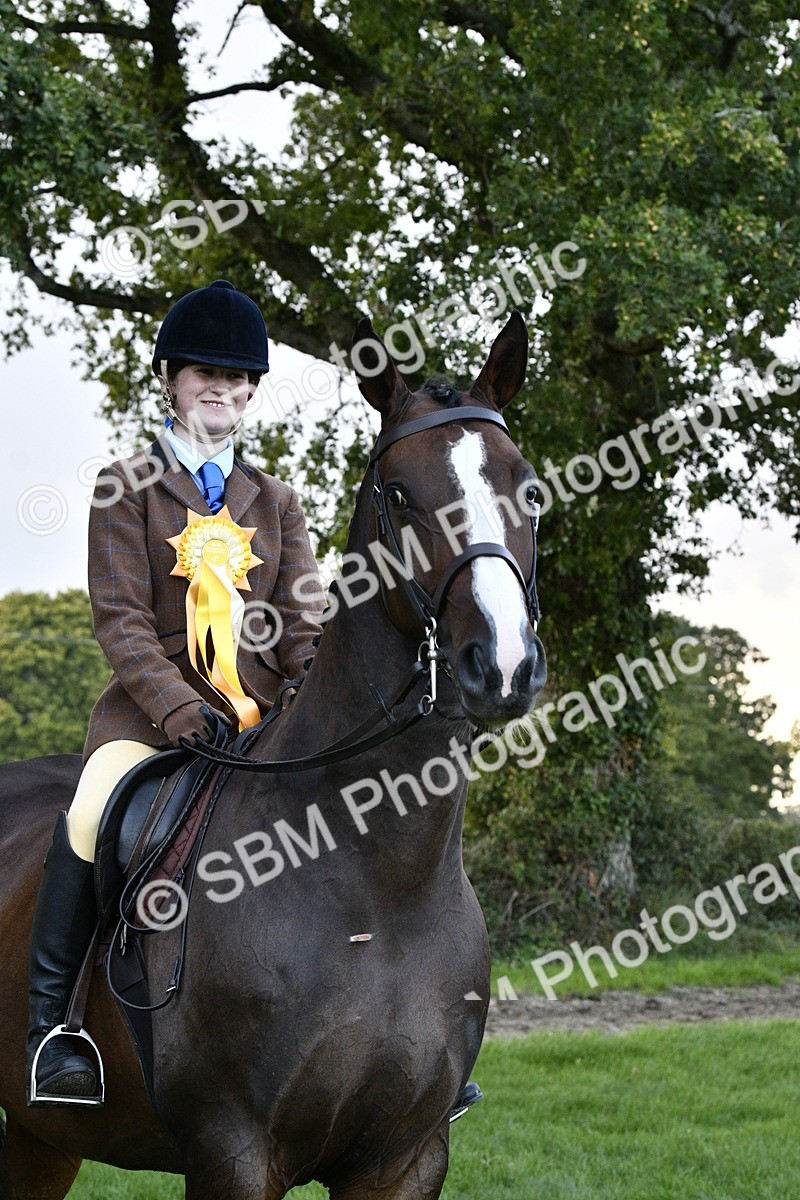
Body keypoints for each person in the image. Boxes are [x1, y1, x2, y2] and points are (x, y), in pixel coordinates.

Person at [27, 279, 323, 1105]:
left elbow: (302, 627)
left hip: (262, 722)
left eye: (235, 376)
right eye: (203, 373)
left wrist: (315, 692)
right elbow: (121, 620)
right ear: (170, 379)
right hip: (153, 720)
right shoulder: (125, 488)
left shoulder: (279, 502)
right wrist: (178, 706)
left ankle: (386, 1023)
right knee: (90, 815)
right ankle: (56, 1031)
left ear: (255, 390)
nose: (219, 388)